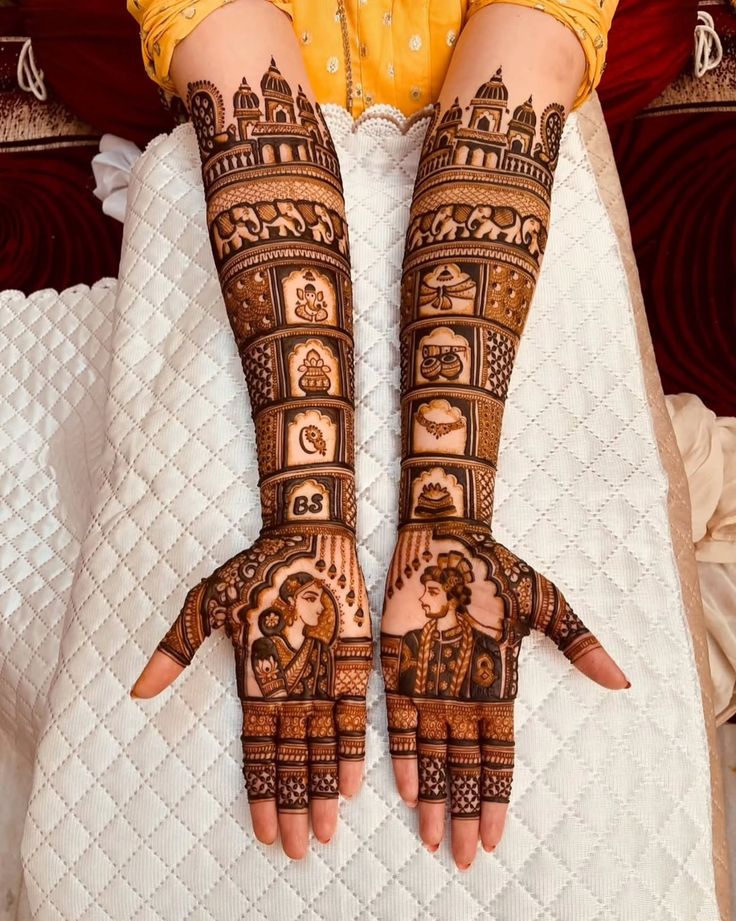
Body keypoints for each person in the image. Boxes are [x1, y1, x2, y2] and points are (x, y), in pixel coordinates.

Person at [127, 0, 629, 870]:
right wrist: (307, 515)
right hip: (240, 276)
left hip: (523, 269)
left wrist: (447, 515)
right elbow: (247, 101)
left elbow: (516, 82)